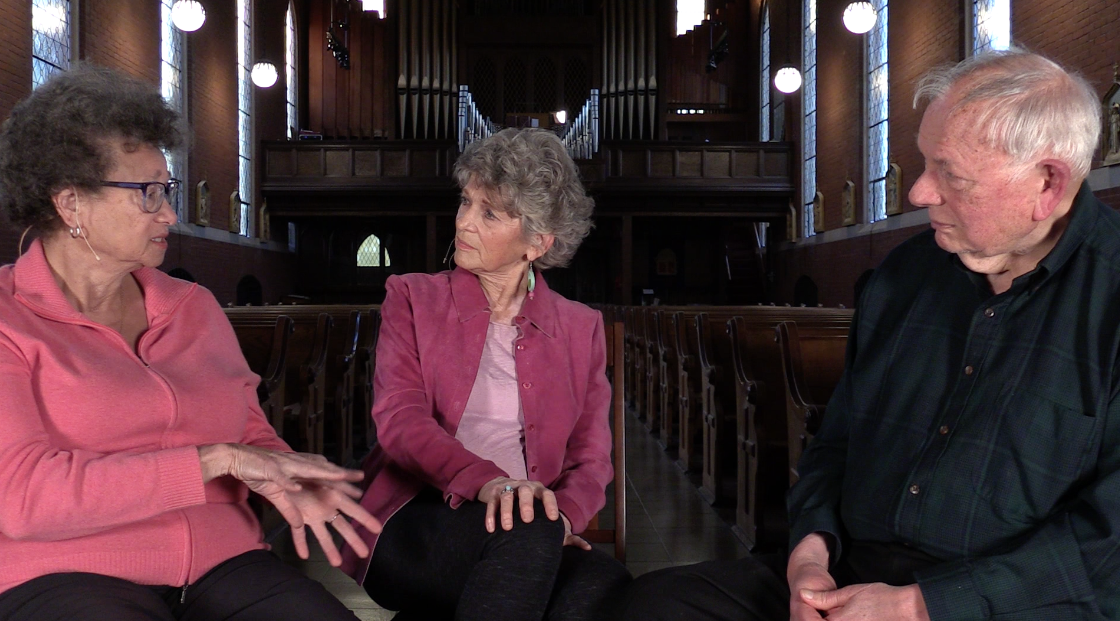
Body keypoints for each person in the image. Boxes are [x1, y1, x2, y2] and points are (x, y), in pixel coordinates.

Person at [620, 48, 1120, 620]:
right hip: (851, 574)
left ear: (1048, 185)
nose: (919, 193)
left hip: (1005, 603)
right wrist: (810, 552)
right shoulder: (902, 277)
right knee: (655, 604)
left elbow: (1109, 541)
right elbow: (835, 445)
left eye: (950, 174)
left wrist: (920, 606)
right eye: (925, 163)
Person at [0, 64, 382, 621]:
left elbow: (247, 430)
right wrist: (211, 460)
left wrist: (285, 474)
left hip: (224, 561)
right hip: (68, 573)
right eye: (149, 194)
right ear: (71, 204)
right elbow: (25, 498)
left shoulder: (192, 308)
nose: (171, 214)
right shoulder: (9, 319)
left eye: (168, 190)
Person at [339, 128, 631, 620]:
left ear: (537, 242)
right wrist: (490, 484)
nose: (464, 223)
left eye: (489, 212)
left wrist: (564, 518)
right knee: (531, 541)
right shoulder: (412, 297)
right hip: (416, 517)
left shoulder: (580, 328)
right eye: (466, 202)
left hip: (530, 528)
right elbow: (400, 421)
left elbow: (592, 457)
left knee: (605, 586)